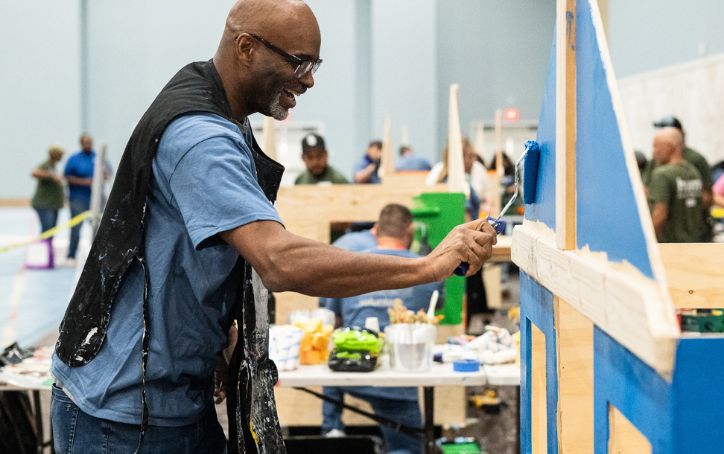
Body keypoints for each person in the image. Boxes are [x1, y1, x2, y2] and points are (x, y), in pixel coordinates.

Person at [50, 1, 497, 453]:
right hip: (123, 415)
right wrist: (426, 267)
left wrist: (215, 329)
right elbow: (279, 262)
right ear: (246, 47)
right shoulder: (201, 136)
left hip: (173, 396)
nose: (308, 79)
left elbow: (187, 246)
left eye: (314, 64)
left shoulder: (223, 113)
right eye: (299, 62)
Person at [320, 204, 442, 453]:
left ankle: (332, 430)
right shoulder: (428, 269)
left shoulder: (351, 265)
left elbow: (333, 318)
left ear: (376, 231)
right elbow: (434, 306)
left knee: (336, 351)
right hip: (398, 380)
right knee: (406, 448)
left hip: (350, 373)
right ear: (409, 231)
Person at [644, 116, 713, 241]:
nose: (653, 152)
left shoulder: (662, 174)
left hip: (669, 245)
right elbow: (701, 203)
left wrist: (646, 242)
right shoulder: (693, 172)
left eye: (656, 147)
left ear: (670, 147)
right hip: (692, 242)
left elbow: (660, 215)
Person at [62, 134, 97, 261]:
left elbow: (108, 173)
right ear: (81, 143)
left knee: (97, 227)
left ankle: (96, 255)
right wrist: (83, 182)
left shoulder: (97, 157)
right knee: (76, 227)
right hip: (77, 198)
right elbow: (66, 176)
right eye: (85, 142)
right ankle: (71, 254)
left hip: (95, 199)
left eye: (90, 142)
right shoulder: (74, 159)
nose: (88, 144)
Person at [30, 145, 65, 233]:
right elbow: (34, 173)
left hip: (53, 204)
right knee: (47, 228)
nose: (61, 157)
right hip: (44, 204)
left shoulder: (54, 166)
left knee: (52, 228)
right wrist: (50, 175)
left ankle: (49, 246)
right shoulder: (46, 165)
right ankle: (44, 245)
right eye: (59, 154)